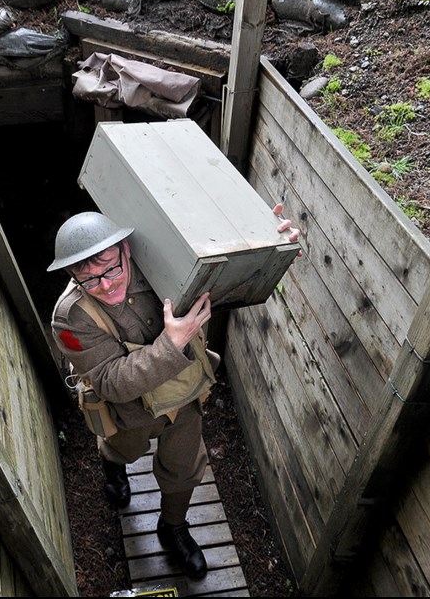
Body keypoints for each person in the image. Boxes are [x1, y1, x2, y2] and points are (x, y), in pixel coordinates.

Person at [47, 206, 299, 580]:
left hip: (184, 400)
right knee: (123, 448)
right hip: (130, 412)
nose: (106, 284)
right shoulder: (70, 318)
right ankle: (113, 468)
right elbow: (111, 382)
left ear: (126, 250)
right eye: (90, 279)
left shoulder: (161, 264)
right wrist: (171, 345)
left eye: (112, 268)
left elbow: (217, 254)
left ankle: (174, 527)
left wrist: (264, 237)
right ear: (74, 277)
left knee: (183, 470)